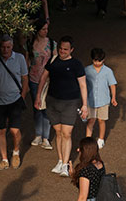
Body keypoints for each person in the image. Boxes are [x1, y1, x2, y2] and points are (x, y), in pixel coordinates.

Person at [35, 35, 88, 178]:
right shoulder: (53, 61)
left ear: (72, 50)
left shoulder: (77, 65)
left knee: (67, 133)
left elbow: (83, 85)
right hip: (53, 102)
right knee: (58, 133)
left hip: (70, 103)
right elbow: (43, 77)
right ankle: (59, 160)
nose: (62, 51)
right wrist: (38, 95)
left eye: (65, 49)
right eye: (60, 49)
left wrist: (85, 105)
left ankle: (65, 164)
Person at [0, 34, 29, 169]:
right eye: (3, 47)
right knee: (1, 131)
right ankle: (4, 159)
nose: (5, 50)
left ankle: (16, 151)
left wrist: (22, 96)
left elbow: (25, 79)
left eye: (8, 47)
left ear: (12, 46)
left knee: (15, 130)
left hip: (15, 99)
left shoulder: (20, 58)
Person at [27, 20, 55, 151]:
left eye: (47, 29)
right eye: (43, 29)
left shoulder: (51, 44)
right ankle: (38, 135)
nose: (46, 31)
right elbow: (27, 62)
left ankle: (46, 137)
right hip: (34, 79)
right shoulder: (31, 44)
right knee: (37, 108)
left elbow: (55, 62)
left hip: (48, 81)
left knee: (46, 109)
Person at [84, 48, 118, 149]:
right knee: (91, 120)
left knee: (101, 120)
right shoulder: (87, 70)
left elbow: (112, 84)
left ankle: (101, 139)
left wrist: (113, 97)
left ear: (103, 60)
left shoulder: (108, 71)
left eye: (99, 61)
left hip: (103, 101)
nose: (97, 63)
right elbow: (83, 85)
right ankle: (88, 140)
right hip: (91, 101)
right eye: (95, 60)